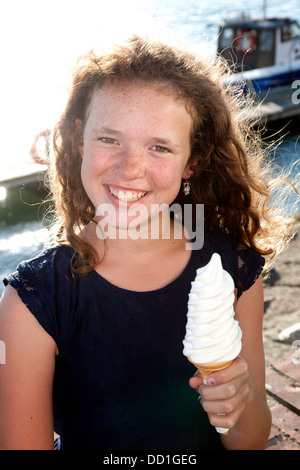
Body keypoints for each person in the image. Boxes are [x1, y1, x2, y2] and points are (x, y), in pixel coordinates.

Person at [0, 33, 297, 451]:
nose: (130, 168)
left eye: (159, 147)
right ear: (80, 138)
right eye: (109, 139)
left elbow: (249, 441)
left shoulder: (233, 268)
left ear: (192, 161)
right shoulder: (33, 302)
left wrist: (240, 398)